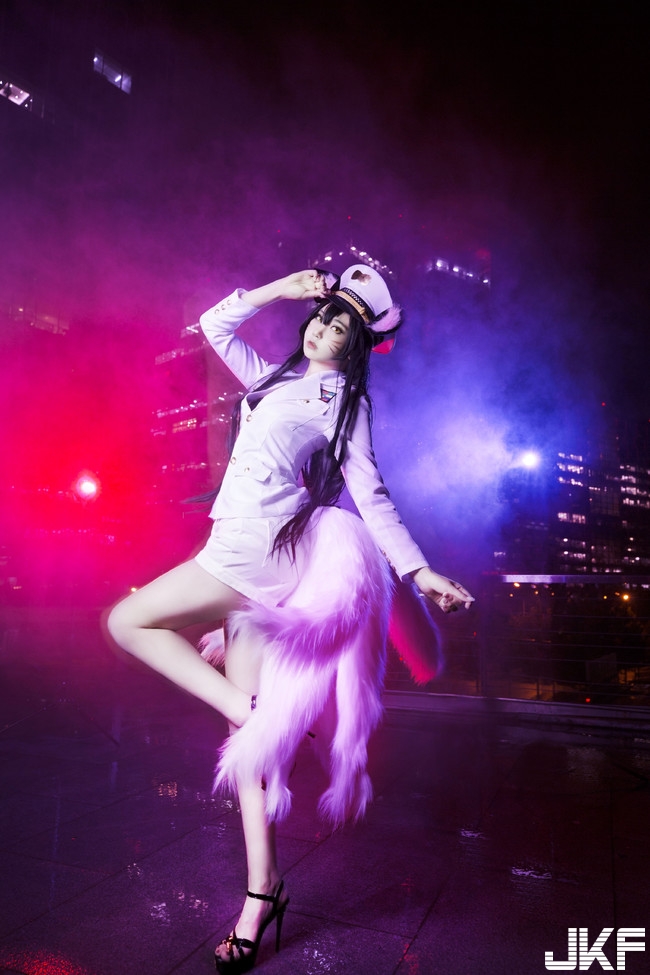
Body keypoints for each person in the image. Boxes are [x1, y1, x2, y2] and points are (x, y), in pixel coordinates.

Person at [107, 265, 473, 973]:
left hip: (252, 556)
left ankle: (248, 710)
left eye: (341, 326)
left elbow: (372, 494)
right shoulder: (273, 378)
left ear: (356, 345)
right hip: (239, 550)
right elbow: (214, 325)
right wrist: (280, 289)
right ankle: (262, 890)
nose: (324, 329)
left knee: (128, 621)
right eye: (324, 315)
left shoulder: (347, 402)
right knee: (250, 752)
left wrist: (418, 571)